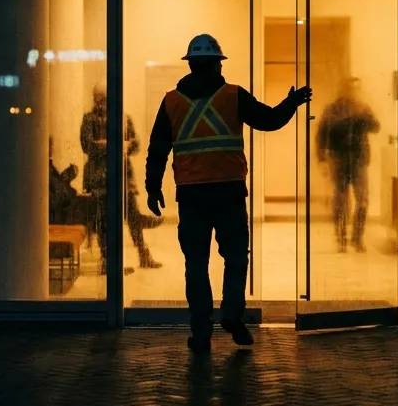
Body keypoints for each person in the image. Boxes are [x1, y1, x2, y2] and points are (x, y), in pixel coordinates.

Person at [145, 33, 313, 352]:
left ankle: (201, 333)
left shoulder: (171, 101)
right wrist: (291, 103)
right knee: (235, 257)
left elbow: (157, 149)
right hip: (229, 194)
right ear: (217, 64)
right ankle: (232, 314)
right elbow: (268, 120)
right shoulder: (233, 96)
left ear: (191, 65)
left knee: (196, 263)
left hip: (192, 197)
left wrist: (153, 188)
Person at [80, 85, 163, 270]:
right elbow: (87, 146)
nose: (102, 102)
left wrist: (124, 145)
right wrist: (112, 146)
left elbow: (135, 142)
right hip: (99, 176)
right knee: (106, 221)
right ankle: (109, 262)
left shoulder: (122, 117)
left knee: (132, 213)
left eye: (105, 98)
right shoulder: (89, 119)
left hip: (122, 174)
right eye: (99, 98)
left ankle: (144, 255)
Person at [316, 77, 380, 253]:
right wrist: (321, 158)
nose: (355, 92)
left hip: (359, 159)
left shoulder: (363, 108)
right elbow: (323, 133)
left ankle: (357, 237)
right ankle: (342, 238)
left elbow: (376, 127)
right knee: (341, 201)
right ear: (344, 90)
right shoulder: (333, 109)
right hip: (339, 159)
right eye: (352, 88)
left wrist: (364, 117)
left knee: (363, 200)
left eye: (358, 89)